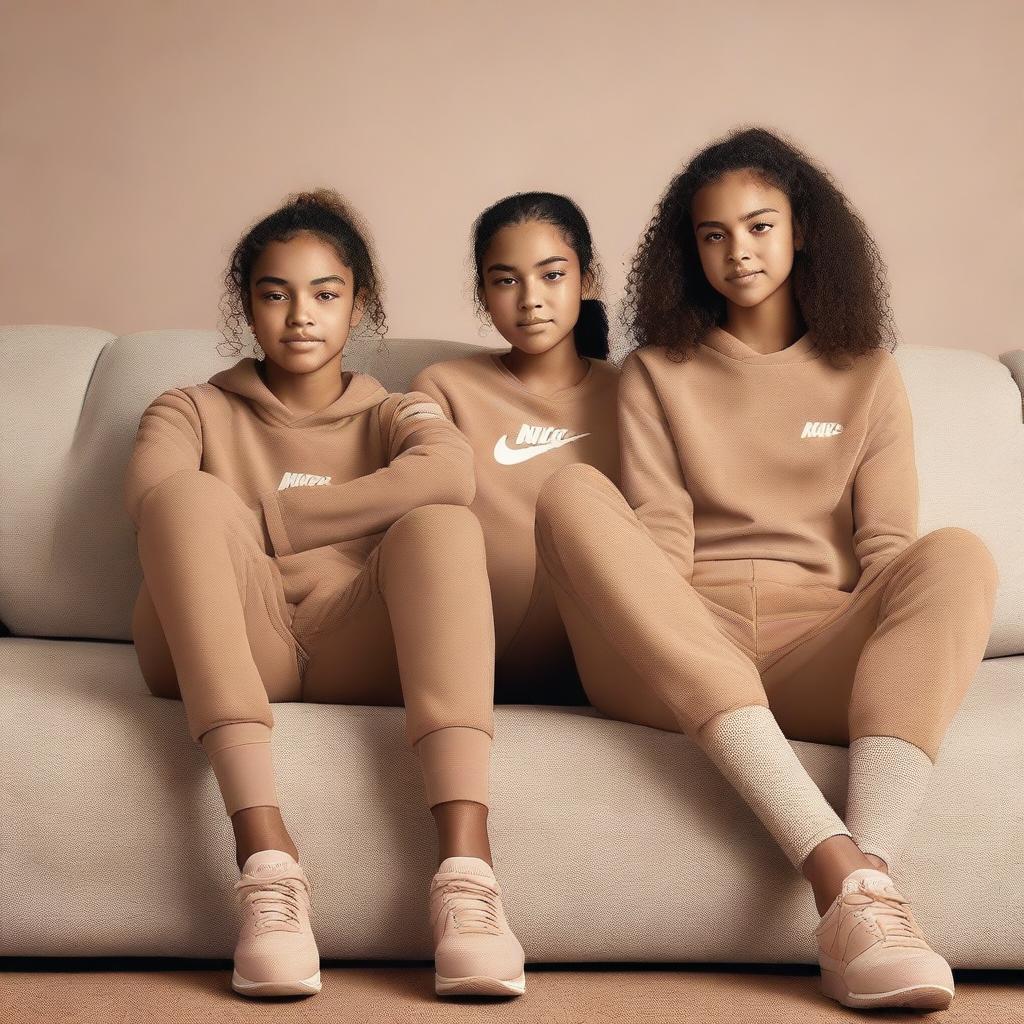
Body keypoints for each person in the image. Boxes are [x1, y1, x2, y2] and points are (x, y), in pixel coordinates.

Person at [532, 128, 998, 1011]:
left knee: (960, 555)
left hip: (818, 647)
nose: (737, 252)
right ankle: (837, 875)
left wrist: (879, 632)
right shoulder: (655, 372)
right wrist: (686, 638)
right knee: (571, 492)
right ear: (690, 251)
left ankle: (873, 884)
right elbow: (660, 545)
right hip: (677, 651)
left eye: (758, 227)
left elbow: (889, 554)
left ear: (803, 232)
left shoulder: (868, 373)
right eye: (713, 235)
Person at [124, 189, 525, 999]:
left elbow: (449, 471)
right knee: (184, 500)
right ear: (247, 307)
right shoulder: (190, 408)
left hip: (353, 645)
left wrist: (277, 519)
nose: (300, 315)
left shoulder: (397, 411)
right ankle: (267, 866)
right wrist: (277, 533)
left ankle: (467, 879)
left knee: (445, 524)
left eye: (325, 294)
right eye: (275, 294)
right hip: (225, 638)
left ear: (359, 306)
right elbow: (151, 501)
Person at [412, 192, 619, 703]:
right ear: (483, 293)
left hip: (602, 643)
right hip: (474, 645)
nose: (530, 299)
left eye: (552, 275)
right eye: (506, 280)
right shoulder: (445, 387)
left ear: (586, 280)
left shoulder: (633, 393)